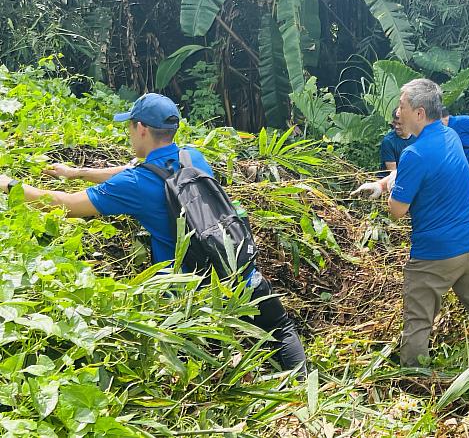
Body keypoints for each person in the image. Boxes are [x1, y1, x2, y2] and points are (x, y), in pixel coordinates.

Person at [0, 93, 307, 372]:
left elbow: (65, 205)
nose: (129, 132)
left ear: (142, 129)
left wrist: (9, 185)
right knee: (281, 329)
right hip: (238, 271)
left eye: (130, 126)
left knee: (187, 366)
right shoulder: (192, 157)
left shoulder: (134, 186)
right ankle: (305, 394)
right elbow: (138, 167)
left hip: (186, 300)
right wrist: (77, 172)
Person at [351, 79, 469, 367]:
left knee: (418, 319)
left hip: (435, 256)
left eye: (402, 107)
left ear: (420, 112)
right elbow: (418, 172)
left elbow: (397, 211)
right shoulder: (449, 136)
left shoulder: (414, 153)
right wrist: (382, 183)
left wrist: (387, 196)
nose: (398, 113)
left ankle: (413, 380)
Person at [379, 108, 417, 177]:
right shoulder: (388, 141)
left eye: (400, 124)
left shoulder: (418, 137)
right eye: (394, 123)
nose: (396, 127)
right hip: (393, 181)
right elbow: (393, 172)